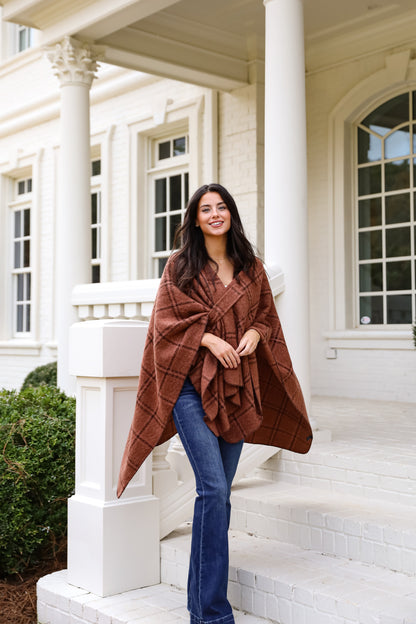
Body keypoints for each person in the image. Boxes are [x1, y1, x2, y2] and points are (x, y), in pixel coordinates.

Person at [118, 183, 312, 624]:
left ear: (231, 215)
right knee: (214, 488)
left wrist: (255, 334)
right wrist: (205, 337)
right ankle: (211, 614)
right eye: (206, 209)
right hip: (190, 388)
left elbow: (265, 314)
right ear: (195, 218)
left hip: (237, 387)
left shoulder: (251, 267)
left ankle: (198, 604)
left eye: (221, 206)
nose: (215, 214)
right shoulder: (181, 266)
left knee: (218, 501)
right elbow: (164, 325)